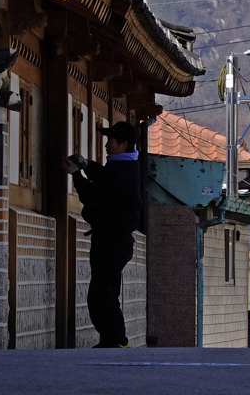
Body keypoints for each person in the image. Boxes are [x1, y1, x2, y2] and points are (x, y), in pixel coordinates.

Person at [66, 120, 142, 348]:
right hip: (113, 239)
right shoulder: (124, 166)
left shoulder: (122, 172)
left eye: (111, 140)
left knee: (102, 293)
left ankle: (116, 339)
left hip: (111, 240)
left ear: (123, 144)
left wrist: (76, 174)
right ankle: (111, 338)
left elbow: (94, 195)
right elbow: (103, 175)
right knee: (104, 290)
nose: (107, 145)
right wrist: (86, 164)